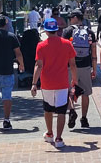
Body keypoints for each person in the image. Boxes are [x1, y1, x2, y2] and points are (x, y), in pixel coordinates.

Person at [32, 18, 78, 149]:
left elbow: (38, 65)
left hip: (46, 83)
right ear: (57, 29)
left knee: (47, 109)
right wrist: (75, 79)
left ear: (46, 31)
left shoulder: (41, 46)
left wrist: (34, 83)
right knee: (61, 110)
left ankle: (50, 133)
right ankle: (59, 138)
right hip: (62, 83)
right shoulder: (67, 44)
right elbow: (73, 64)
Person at [62, 9, 97, 129]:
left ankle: (72, 110)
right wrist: (94, 69)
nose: (70, 20)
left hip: (71, 67)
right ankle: (84, 118)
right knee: (86, 93)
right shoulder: (90, 33)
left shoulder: (67, 31)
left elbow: (64, 50)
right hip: (86, 66)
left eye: (71, 17)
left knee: (70, 91)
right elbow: (93, 52)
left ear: (76, 18)